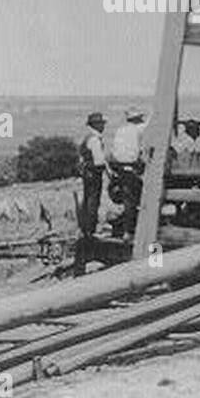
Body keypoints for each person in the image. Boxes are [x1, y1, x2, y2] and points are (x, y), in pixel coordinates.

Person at [74, 111, 108, 275]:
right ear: (97, 125)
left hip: (87, 173)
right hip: (94, 173)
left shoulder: (88, 138)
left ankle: (87, 229)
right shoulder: (95, 139)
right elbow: (99, 160)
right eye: (101, 124)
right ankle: (90, 230)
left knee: (89, 200)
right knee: (94, 201)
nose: (103, 126)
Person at [110, 108, 146, 239]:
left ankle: (127, 229)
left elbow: (114, 152)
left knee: (128, 201)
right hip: (133, 169)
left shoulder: (121, 130)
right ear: (137, 119)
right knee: (135, 201)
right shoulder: (139, 129)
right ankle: (131, 231)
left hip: (120, 169)